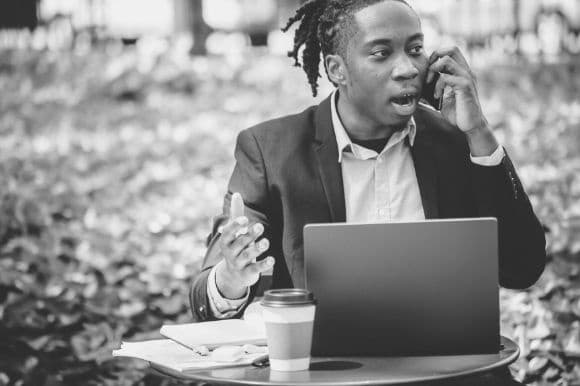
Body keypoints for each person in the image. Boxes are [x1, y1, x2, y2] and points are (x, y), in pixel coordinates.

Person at [190, 0, 546, 384]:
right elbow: (206, 303)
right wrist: (230, 276)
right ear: (336, 70)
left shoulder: (455, 140)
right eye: (381, 53)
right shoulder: (270, 150)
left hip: (451, 376)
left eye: (415, 49)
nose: (408, 68)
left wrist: (479, 134)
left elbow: (523, 269)